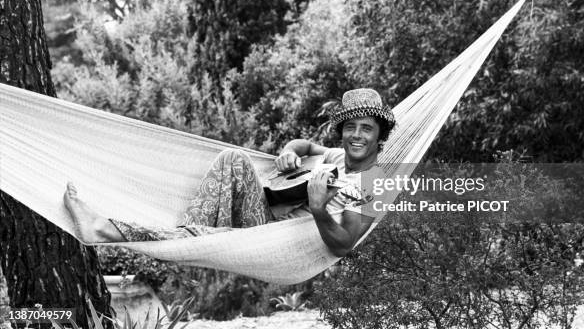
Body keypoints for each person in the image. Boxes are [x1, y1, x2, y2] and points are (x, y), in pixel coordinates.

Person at [64, 88, 395, 257]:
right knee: (232, 158)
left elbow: (344, 245)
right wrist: (289, 152)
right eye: (350, 127)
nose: (357, 135)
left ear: (380, 135)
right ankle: (187, 237)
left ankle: (102, 230)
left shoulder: (372, 183)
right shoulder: (337, 156)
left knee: (230, 170)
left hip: (280, 241)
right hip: (265, 220)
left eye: (366, 128)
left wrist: (320, 209)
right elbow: (306, 146)